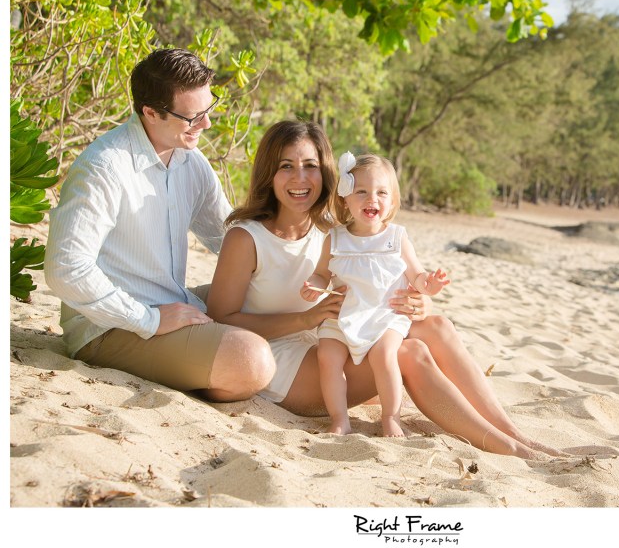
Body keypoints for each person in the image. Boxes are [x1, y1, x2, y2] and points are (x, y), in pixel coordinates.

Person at [207, 119, 565, 459]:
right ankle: (504, 446)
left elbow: (379, 280)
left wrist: (417, 303)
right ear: (269, 173)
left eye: (310, 166)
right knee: (410, 353)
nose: (300, 177)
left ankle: (511, 432)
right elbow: (221, 318)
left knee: (435, 325)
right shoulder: (247, 237)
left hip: (336, 337)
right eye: (286, 166)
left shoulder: (336, 233)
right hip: (284, 367)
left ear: (328, 174)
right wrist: (305, 319)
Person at [44, 48, 273, 402]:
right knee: (251, 360)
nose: (206, 125)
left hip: (172, 303)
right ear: (150, 112)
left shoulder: (191, 161)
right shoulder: (103, 167)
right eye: (193, 117)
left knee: (271, 297)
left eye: (208, 110)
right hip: (109, 328)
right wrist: (148, 320)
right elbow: (65, 269)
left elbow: (230, 240)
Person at [301, 152, 450, 437]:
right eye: (362, 192)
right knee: (328, 356)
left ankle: (390, 416)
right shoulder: (335, 238)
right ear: (346, 198)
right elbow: (323, 274)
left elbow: (417, 276)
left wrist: (430, 284)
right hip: (343, 314)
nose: (373, 199)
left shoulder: (396, 237)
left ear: (392, 201)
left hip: (384, 315)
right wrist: (313, 283)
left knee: (384, 355)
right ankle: (339, 418)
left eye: (382, 193)